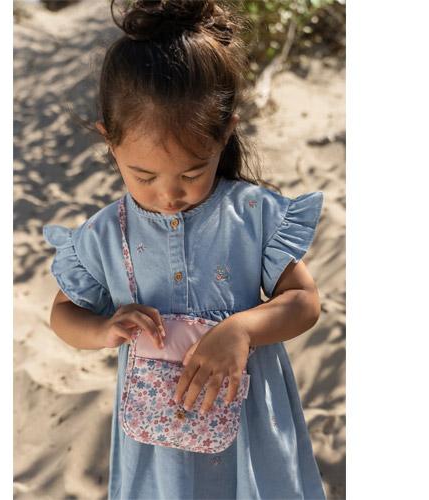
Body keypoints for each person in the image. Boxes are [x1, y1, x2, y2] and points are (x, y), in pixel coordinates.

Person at [43, 1, 326, 498]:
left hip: (251, 431)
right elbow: (63, 314)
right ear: (110, 142)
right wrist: (103, 329)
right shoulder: (106, 233)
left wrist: (242, 329)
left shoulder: (252, 213)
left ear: (225, 133)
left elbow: (304, 302)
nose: (169, 193)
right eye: (144, 175)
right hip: (158, 443)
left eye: (193, 172)